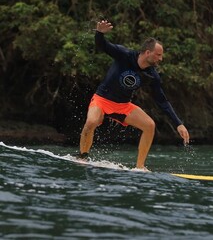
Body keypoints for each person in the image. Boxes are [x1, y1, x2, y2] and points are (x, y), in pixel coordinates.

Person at [78, 20, 190, 171]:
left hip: (123, 106)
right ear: (147, 52)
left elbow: (162, 101)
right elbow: (102, 46)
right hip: (102, 100)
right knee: (91, 122)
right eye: (158, 55)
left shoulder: (152, 75)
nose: (161, 59)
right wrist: (99, 34)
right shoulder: (124, 55)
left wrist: (178, 123)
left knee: (149, 125)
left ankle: (140, 166)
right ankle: (83, 157)